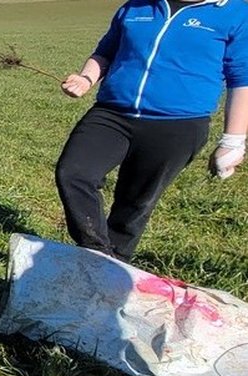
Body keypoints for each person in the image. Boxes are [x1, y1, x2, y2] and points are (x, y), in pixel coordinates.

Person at [55, 0, 248, 262]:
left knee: (135, 203)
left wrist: (233, 141)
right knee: (74, 173)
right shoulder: (137, 6)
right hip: (112, 113)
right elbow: (106, 51)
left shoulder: (237, 12)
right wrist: (86, 78)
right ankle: (97, 252)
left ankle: (115, 264)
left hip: (177, 125)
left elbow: (242, 79)